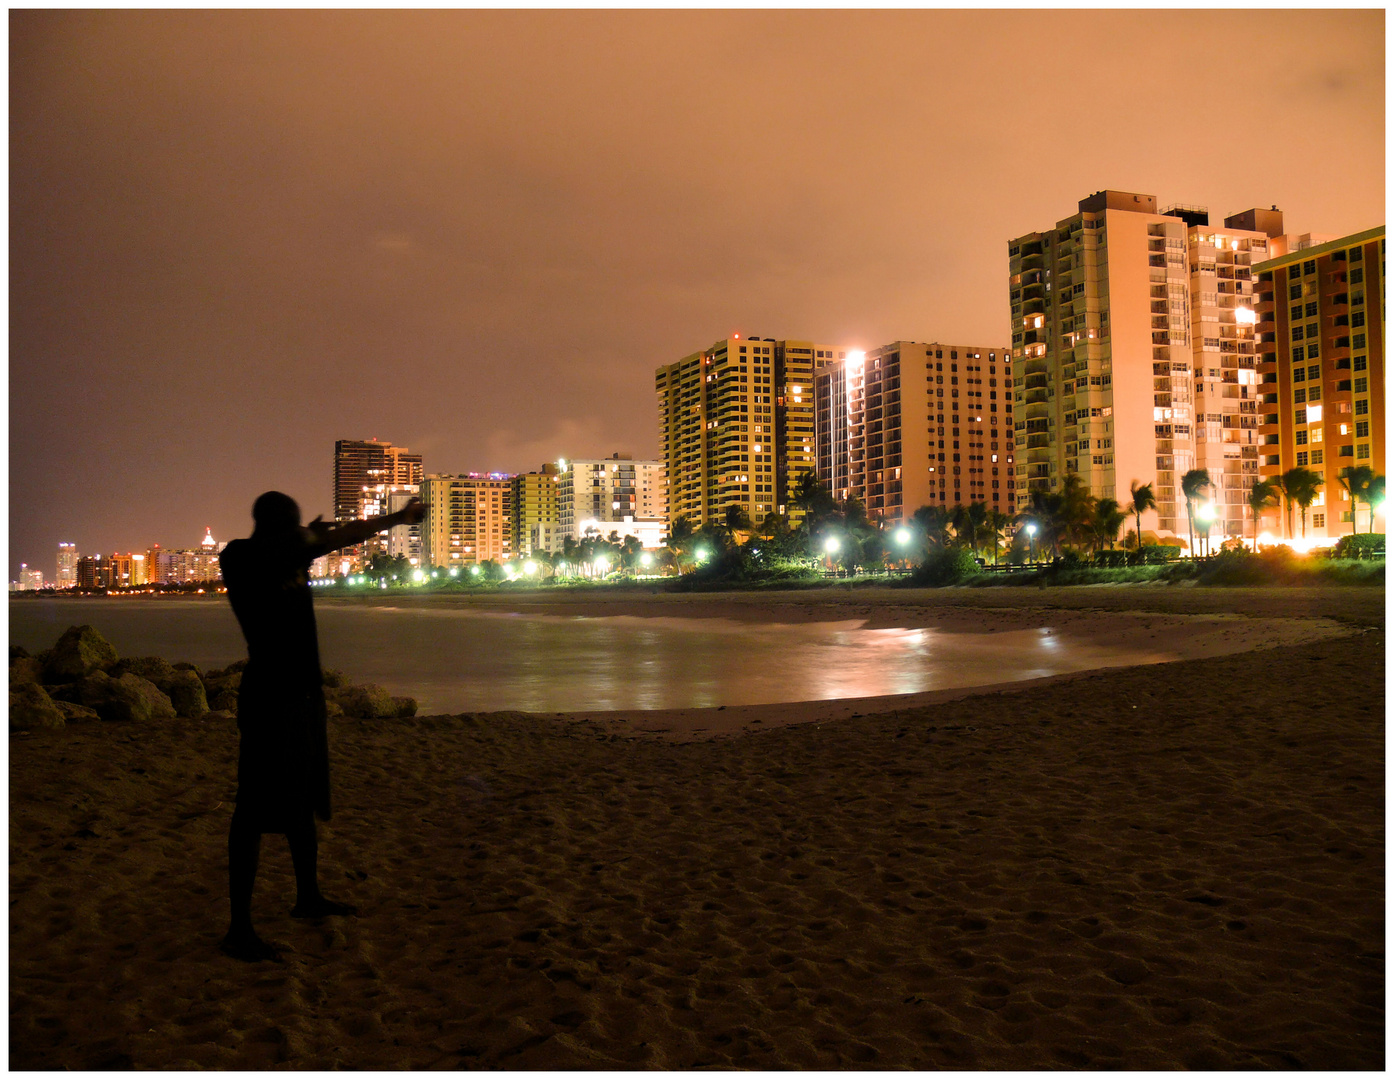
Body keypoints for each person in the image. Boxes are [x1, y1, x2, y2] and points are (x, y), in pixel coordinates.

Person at [217, 490, 426, 961]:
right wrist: (399, 517)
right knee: (251, 810)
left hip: (302, 696)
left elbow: (308, 542)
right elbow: (334, 538)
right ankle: (239, 929)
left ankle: (307, 896)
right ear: (280, 529)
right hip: (272, 697)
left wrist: (311, 533)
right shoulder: (243, 556)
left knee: (303, 796)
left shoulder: (280, 554)